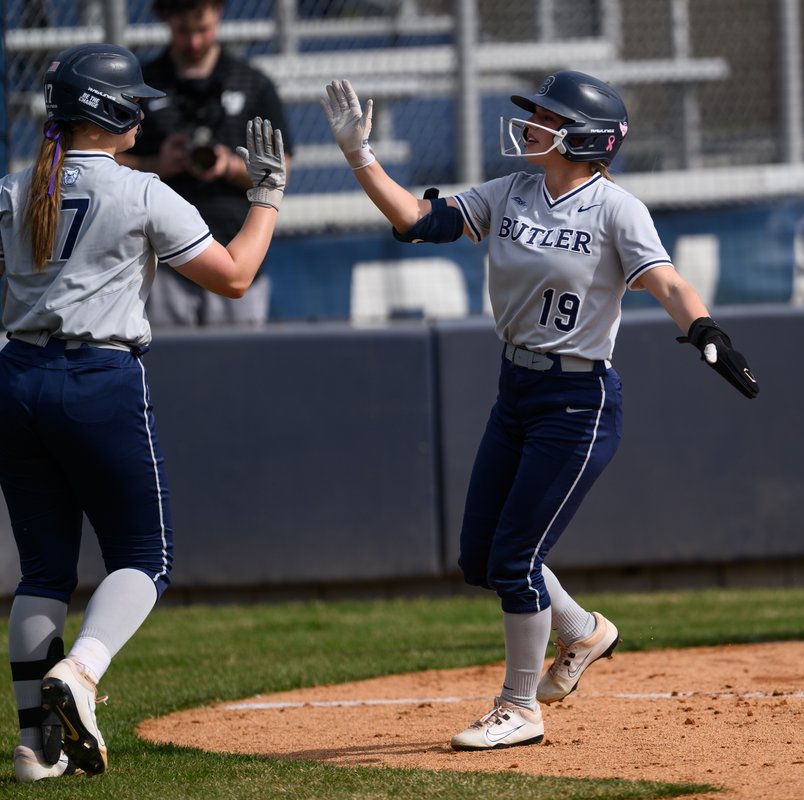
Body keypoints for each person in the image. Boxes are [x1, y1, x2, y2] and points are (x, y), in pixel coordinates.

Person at [321, 71, 758, 750]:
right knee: (480, 557)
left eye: (547, 117)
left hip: (578, 399)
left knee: (517, 557)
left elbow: (665, 280)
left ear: (583, 136)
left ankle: (519, 706)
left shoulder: (616, 209)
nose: (529, 125)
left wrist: (704, 329)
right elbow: (417, 220)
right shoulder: (513, 191)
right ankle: (583, 632)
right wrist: (358, 154)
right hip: (516, 390)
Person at [1, 44, 286, 781]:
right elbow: (235, 278)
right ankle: (83, 673)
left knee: (42, 573)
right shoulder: (142, 192)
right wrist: (267, 199)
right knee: (144, 557)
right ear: (113, 112)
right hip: (97, 377)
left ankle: (35, 751)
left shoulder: (12, 186)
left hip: (17, 376)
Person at [117, 0, 291, 327]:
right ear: (165, 18)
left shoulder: (253, 84)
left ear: (219, 15)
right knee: (171, 370)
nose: (194, 42)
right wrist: (158, 163)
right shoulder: (145, 85)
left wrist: (227, 166)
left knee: (240, 368)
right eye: (183, 31)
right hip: (163, 262)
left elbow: (282, 171)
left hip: (237, 248)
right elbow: (107, 162)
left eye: (203, 29)